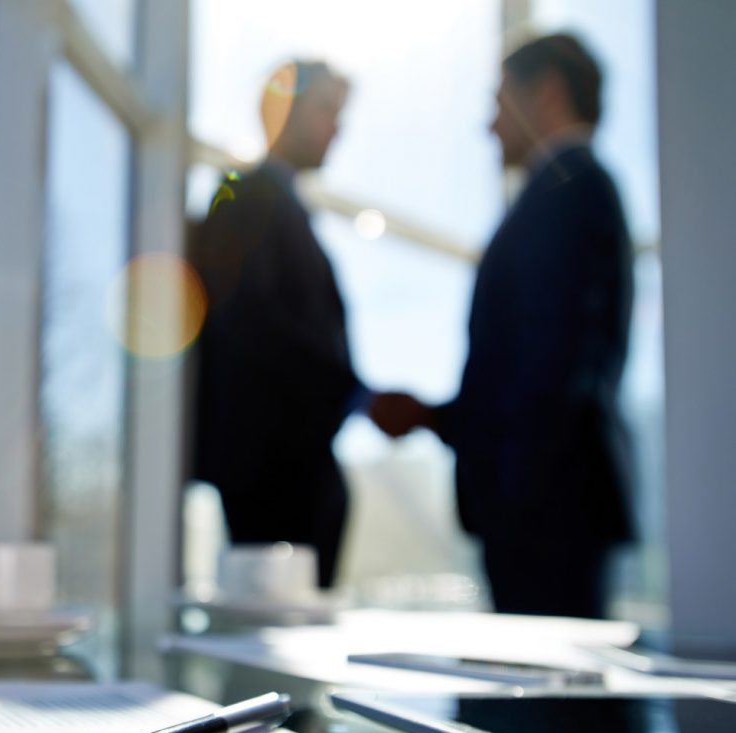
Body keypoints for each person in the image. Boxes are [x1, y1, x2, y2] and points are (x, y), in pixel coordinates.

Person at [370, 34, 635, 619]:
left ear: (545, 93)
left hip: (545, 511)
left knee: (549, 702)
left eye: (498, 103)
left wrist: (503, 486)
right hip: (546, 506)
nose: (489, 126)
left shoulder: (569, 191)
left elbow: (546, 373)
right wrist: (440, 418)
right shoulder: (570, 192)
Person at [192, 60, 367, 589]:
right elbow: (252, 320)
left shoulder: (271, 200)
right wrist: (354, 392)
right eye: (326, 110)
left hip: (287, 464)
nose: (337, 127)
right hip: (271, 468)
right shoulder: (244, 194)